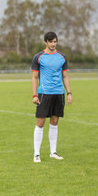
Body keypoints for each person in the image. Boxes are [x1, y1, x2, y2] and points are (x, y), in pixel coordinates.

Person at [31, 31, 72, 163]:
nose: (53, 44)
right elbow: (34, 77)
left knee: (54, 123)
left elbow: (65, 76)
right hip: (44, 93)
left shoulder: (62, 57)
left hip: (58, 94)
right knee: (40, 123)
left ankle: (52, 152)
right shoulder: (38, 57)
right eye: (51, 42)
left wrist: (69, 93)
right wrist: (34, 95)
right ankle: (36, 154)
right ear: (45, 42)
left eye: (55, 42)